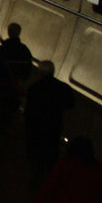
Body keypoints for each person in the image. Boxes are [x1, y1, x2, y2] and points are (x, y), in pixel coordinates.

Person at [25, 61, 75, 190]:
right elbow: (70, 104)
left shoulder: (34, 89)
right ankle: (51, 182)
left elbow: (29, 112)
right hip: (54, 126)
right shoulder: (63, 88)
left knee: (37, 157)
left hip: (37, 128)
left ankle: (38, 181)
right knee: (51, 154)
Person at [0, 22, 33, 90]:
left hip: (1, 82)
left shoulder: (3, 48)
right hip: (17, 84)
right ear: (19, 33)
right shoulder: (24, 49)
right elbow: (29, 66)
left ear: (8, 32)